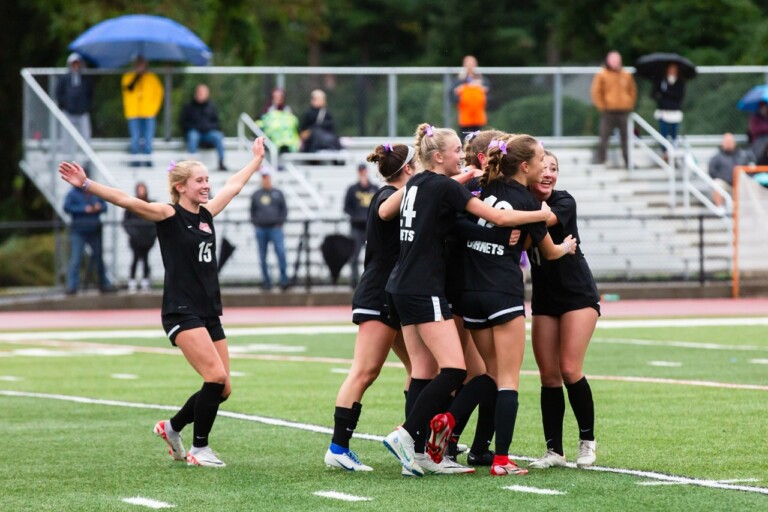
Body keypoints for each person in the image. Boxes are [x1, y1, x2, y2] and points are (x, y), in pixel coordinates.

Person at [58, 137, 267, 468]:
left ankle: (172, 427)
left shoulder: (207, 213)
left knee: (224, 387)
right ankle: (200, 449)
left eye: (207, 180)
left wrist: (256, 160)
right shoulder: (167, 214)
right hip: (181, 311)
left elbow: (234, 185)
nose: (206, 185)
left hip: (209, 310)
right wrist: (85, 183)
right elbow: (126, 200)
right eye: (200, 180)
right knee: (213, 376)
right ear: (180, 186)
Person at [379, 123, 551, 477]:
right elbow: (499, 217)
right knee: (456, 370)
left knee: (425, 371)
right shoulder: (444, 185)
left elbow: (454, 226)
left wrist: (500, 238)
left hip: (401, 284)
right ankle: (407, 434)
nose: (465, 155)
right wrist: (541, 214)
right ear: (439, 156)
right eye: (458, 150)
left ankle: (423, 453)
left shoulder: (417, 183)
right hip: (425, 287)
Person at [427, 136, 577, 477]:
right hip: (503, 292)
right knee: (508, 379)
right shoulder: (530, 204)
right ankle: (501, 460)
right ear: (525, 166)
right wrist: (567, 246)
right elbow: (550, 252)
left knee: (489, 374)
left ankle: (449, 418)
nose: (544, 165)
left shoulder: (487, 191)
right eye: (540, 159)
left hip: (470, 293)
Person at [324, 143, 415, 472]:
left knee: (421, 369)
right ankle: (338, 447)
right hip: (379, 293)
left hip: (396, 293)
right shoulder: (386, 195)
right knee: (364, 371)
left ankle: (414, 441)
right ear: (408, 169)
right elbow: (386, 210)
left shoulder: (406, 194)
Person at [526, 150, 601, 470]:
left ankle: (587, 441)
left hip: (577, 294)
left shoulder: (563, 200)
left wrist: (510, 210)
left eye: (553, 169)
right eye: (543, 168)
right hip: (544, 297)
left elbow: (546, 219)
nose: (548, 174)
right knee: (548, 376)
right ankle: (554, 450)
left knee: (570, 368)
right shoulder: (520, 200)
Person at [63, 183, 114, 295]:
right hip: (79, 230)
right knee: (76, 259)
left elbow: (105, 206)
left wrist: (98, 207)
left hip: (94, 230)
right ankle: (72, 286)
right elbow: (66, 207)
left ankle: (104, 284)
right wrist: (84, 209)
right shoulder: (72, 194)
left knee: (98, 258)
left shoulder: (94, 191)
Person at [591, 51, 637, 168]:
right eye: (613, 60)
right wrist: (602, 106)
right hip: (608, 111)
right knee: (604, 136)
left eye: (617, 60)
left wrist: (629, 104)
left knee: (626, 137)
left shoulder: (626, 75)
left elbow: (632, 91)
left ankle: (628, 161)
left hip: (623, 111)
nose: (616, 63)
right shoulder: (603, 75)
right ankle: (601, 160)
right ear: (608, 61)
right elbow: (596, 92)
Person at [250, 170, 289, 291]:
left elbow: (284, 209)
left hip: (275, 228)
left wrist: (280, 223)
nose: (265, 180)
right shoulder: (256, 194)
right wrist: (256, 224)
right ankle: (266, 282)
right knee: (262, 256)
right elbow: (252, 211)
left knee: (281, 254)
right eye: (263, 178)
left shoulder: (278, 193)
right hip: (261, 228)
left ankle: (283, 281)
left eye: (267, 177)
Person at [121, 56, 164, 166]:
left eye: (142, 64)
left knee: (148, 137)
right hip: (133, 113)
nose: (140, 66)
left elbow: (159, 94)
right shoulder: (128, 76)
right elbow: (128, 88)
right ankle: (135, 160)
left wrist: (154, 109)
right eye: (138, 64)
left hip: (148, 112)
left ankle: (148, 160)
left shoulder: (152, 78)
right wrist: (137, 76)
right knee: (135, 137)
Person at [343, 163, 379, 288]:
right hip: (356, 228)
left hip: (370, 228)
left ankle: (373, 282)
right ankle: (354, 283)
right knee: (354, 257)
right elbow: (346, 208)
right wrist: (357, 217)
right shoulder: (352, 189)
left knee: (375, 257)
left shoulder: (374, 188)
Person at [180, 84, 227, 171]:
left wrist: (207, 127)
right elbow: (183, 123)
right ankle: (192, 165)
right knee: (193, 136)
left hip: (208, 133)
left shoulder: (212, 107)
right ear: (196, 93)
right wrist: (195, 127)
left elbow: (217, 123)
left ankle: (221, 162)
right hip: (195, 132)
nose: (201, 94)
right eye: (200, 92)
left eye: (203, 93)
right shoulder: (189, 107)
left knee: (218, 136)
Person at [55, 52, 94, 157]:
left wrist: (85, 106)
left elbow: (89, 94)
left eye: (77, 64)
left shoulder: (85, 79)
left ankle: (86, 157)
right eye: (73, 64)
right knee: (67, 136)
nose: (76, 66)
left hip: (82, 112)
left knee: (86, 135)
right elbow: (59, 93)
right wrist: (64, 106)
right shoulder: (64, 79)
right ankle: (67, 156)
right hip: (69, 112)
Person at [122, 182, 157, 293]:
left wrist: (152, 234)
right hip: (135, 239)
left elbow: (157, 221)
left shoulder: (151, 204)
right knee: (135, 259)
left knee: (146, 259)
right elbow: (126, 222)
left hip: (147, 239)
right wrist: (133, 233)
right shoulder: (132, 205)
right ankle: (132, 281)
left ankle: (145, 281)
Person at [708, 133, 752, 213]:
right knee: (717, 184)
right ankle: (720, 209)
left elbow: (750, 169)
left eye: (730, 142)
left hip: (740, 183)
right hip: (726, 183)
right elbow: (712, 172)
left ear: (734, 143)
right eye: (726, 142)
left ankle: (747, 210)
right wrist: (726, 178)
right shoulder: (717, 157)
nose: (728, 144)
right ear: (722, 143)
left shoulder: (743, 155)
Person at [452, 55, 490, 137]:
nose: (470, 66)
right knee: (464, 137)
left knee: (479, 137)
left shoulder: (482, 79)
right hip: (465, 115)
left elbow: (489, 95)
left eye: (472, 63)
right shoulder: (459, 80)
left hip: (478, 115)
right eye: (468, 63)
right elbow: (453, 95)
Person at [652, 63, 685, 155]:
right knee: (663, 133)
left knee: (674, 134)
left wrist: (666, 93)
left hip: (675, 111)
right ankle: (665, 152)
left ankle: (674, 152)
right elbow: (655, 94)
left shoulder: (680, 82)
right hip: (664, 111)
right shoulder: (661, 81)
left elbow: (679, 95)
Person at [258, 88, 301, 154]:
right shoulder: (268, 109)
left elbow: (293, 123)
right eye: (276, 97)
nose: (278, 99)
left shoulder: (287, 110)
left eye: (280, 97)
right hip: (273, 137)